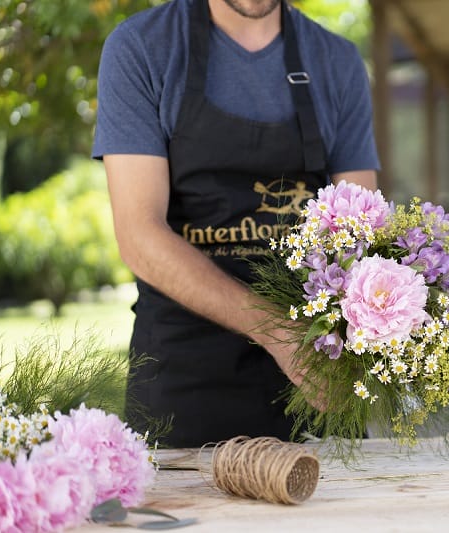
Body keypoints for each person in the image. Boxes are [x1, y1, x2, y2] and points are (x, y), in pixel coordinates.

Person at [92, 0, 379, 447]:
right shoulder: (142, 49)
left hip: (316, 375)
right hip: (184, 380)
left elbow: (360, 235)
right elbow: (138, 236)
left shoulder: (337, 62)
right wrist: (279, 333)